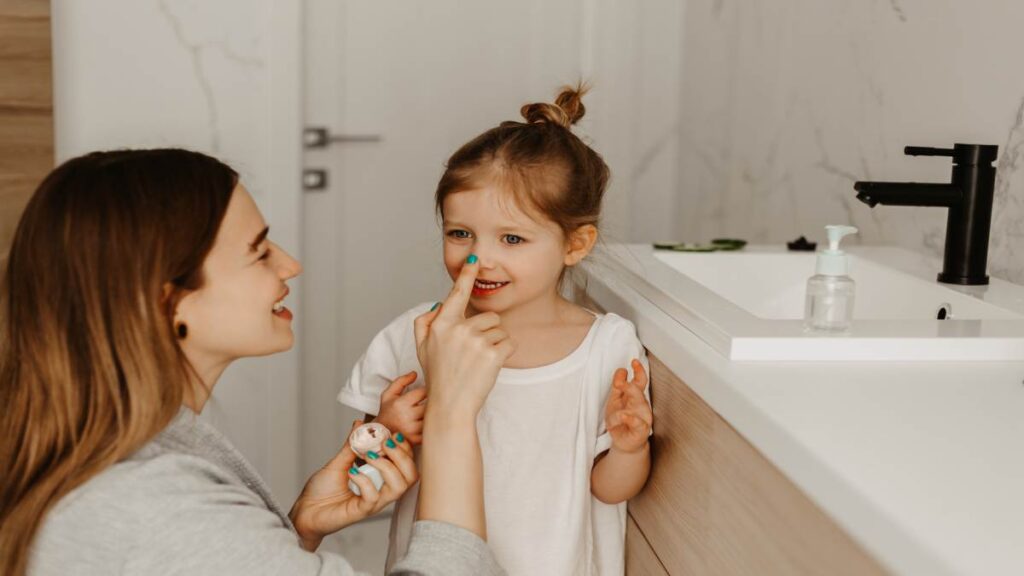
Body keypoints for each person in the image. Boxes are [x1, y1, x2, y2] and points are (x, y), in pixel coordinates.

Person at [0, 148, 513, 576]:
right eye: (258, 250)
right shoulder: (148, 503)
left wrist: (297, 530)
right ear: (167, 302)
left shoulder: (127, 457)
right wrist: (450, 412)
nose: (290, 264)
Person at [338, 85, 654, 575]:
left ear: (576, 244)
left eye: (512, 238)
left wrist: (630, 446)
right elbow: (363, 479)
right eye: (460, 233)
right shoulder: (416, 335)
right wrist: (388, 429)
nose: (478, 258)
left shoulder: (606, 347)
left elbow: (609, 489)